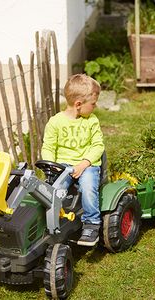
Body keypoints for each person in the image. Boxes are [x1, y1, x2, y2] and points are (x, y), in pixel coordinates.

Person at [41, 73, 105, 245]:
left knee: (88, 187)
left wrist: (84, 164)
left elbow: (98, 146)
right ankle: (53, 222)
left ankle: (91, 224)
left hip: (87, 164)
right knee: (53, 192)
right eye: (93, 103)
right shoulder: (55, 122)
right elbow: (48, 147)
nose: (95, 106)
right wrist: (52, 167)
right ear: (78, 105)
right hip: (62, 166)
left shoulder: (91, 121)